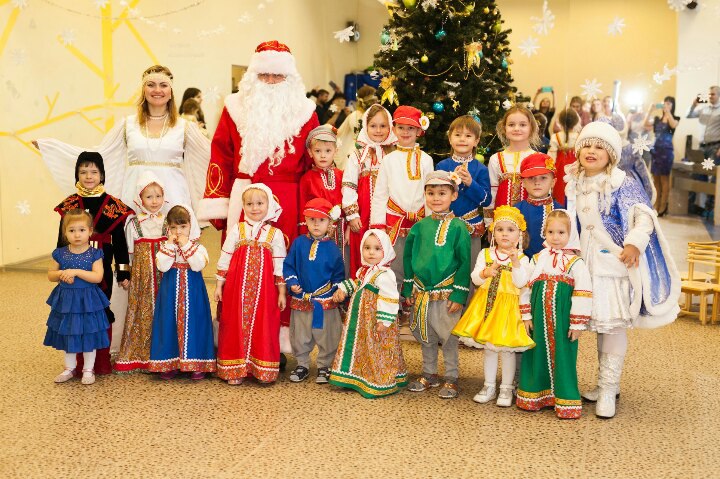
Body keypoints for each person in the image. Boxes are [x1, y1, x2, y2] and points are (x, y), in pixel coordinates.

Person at [565, 121, 680, 418]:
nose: (591, 151)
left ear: (612, 154)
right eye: (586, 146)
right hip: (585, 265)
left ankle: (608, 389)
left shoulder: (621, 181)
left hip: (613, 265)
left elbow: (644, 216)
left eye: (599, 147)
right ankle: (604, 384)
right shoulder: (575, 181)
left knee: (613, 325)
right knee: (598, 325)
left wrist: (634, 244)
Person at [35, 65, 211, 213]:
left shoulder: (185, 127)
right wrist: (52, 148)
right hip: (135, 198)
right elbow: (100, 154)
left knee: (174, 243)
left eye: (163, 85)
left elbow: (210, 154)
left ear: (171, 92)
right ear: (143, 91)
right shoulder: (128, 125)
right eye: (151, 85)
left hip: (173, 199)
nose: (157, 90)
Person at [54, 152, 132, 375]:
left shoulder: (113, 206)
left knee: (99, 311)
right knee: (75, 312)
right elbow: (61, 240)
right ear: (77, 175)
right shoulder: (70, 204)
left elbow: (120, 243)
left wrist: (123, 273)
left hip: (101, 270)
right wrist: (60, 269)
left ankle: (100, 363)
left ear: (102, 175)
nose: (89, 176)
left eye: (94, 172)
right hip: (72, 270)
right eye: (83, 172)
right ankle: (76, 364)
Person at [452, 205, 534, 407]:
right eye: (500, 229)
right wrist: (485, 273)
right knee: (489, 350)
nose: (504, 234)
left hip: (508, 312)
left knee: (507, 351)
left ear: (520, 235)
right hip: (486, 308)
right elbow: (475, 279)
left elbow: (522, 283)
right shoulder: (485, 254)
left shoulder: (523, 259)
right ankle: (488, 386)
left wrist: (515, 263)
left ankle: (506, 388)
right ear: (492, 233)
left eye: (510, 230)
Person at [517, 210, 592, 419]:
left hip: (563, 319)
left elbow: (583, 293)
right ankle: (535, 395)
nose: (555, 237)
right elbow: (525, 287)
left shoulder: (575, 263)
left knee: (564, 355)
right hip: (538, 317)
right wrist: (526, 315)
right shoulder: (537, 259)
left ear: (571, 234)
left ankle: (565, 398)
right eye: (550, 232)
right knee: (536, 353)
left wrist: (577, 323)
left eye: (561, 232)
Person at [403, 171, 471, 400]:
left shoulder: (459, 227)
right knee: (426, 336)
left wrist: (459, 295)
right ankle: (429, 373)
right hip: (422, 292)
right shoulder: (419, 227)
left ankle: (451, 376)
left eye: (442, 193)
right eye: (431, 193)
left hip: (447, 294)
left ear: (454, 195)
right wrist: (408, 288)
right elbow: (408, 259)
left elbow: (464, 262)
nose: (436, 198)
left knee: (449, 337)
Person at [214, 184, 287, 385]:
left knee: (264, 325)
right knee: (234, 323)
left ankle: (260, 368)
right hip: (236, 288)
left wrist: (282, 292)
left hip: (265, 290)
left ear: (269, 205)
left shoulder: (275, 234)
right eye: (249, 204)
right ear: (243, 206)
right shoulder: (237, 230)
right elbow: (225, 257)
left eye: (260, 203)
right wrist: (219, 285)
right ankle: (234, 369)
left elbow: (280, 265)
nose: (254, 208)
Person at [329, 230, 408, 398]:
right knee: (363, 347)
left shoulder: (385, 275)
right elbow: (358, 283)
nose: (371, 252)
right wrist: (343, 289)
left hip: (375, 321)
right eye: (367, 248)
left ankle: (379, 380)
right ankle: (358, 376)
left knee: (377, 349)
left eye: (377, 248)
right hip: (362, 321)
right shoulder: (364, 271)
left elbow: (390, 298)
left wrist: (384, 320)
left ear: (386, 251)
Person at [370, 105, 434, 295]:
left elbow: (430, 193)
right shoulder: (388, 160)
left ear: (419, 131)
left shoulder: (426, 160)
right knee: (395, 265)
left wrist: (431, 223)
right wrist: (378, 226)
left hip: (419, 223)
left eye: (411, 128)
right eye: (401, 127)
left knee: (417, 263)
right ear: (394, 129)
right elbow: (380, 194)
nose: (405, 132)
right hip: (394, 223)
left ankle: (414, 303)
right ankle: (393, 304)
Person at [148, 204, 216, 380]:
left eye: (183, 226)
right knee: (168, 322)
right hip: (170, 291)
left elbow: (197, 264)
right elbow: (162, 266)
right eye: (173, 227)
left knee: (195, 322)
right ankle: (170, 363)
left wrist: (185, 246)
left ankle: (197, 363)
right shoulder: (166, 246)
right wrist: (171, 246)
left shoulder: (198, 247)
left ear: (191, 226)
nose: (178, 231)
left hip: (193, 292)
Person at [44, 209, 110, 385]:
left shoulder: (95, 254)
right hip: (67, 302)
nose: (77, 234)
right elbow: (51, 275)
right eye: (72, 230)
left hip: (88, 301)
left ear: (90, 231)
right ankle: (69, 368)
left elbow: (97, 277)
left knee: (89, 334)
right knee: (69, 333)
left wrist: (76, 272)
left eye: (82, 230)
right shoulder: (60, 253)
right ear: (65, 233)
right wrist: (61, 274)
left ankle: (88, 369)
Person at [284, 199, 345, 384]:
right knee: (300, 334)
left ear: (329, 223)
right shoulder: (298, 244)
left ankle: (324, 366)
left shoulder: (333, 249)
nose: (316, 224)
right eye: (312, 220)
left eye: (321, 220)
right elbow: (289, 266)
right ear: (306, 221)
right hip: (302, 299)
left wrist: (337, 291)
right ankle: (302, 364)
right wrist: (292, 282)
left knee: (327, 334)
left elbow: (338, 275)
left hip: (325, 302)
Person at [114, 172, 168, 373]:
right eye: (149, 196)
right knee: (141, 311)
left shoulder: (167, 222)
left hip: (164, 275)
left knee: (164, 310)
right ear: (140, 199)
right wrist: (124, 275)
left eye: (158, 196)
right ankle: (140, 354)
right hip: (141, 276)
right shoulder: (134, 223)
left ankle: (164, 355)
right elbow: (126, 253)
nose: (154, 201)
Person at [342, 104, 397, 277]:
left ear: (390, 127)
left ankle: (387, 288)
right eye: (373, 126)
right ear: (366, 126)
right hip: (363, 215)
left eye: (383, 126)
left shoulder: (394, 154)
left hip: (389, 214)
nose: (378, 130)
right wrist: (353, 215)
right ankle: (362, 287)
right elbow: (349, 184)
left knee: (387, 248)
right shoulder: (358, 155)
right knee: (365, 251)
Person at [435, 115, 491, 268]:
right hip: (445, 225)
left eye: (468, 136)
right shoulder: (442, 166)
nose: (462, 139)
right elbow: (436, 195)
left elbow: (486, 200)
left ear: (476, 141)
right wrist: (451, 182)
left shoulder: (481, 169)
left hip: (471, 226)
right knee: (444, 266)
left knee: (469, 266)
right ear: (450, 139)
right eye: (458, 135)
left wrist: (471, 183)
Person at [299, 125, 345, 253]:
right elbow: (303, 209)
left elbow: (348, 202)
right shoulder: (306, 179)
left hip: (340, 231)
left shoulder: (342, 175)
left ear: (336, 151)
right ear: (310, 152)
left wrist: (348, 230)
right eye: (318, 151)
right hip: (316, 232)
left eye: (328, 151)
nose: (323, 155)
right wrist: (305, 236)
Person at [487, 105, 539, 216]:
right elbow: (492, 193)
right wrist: (489, 222)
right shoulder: (496, 159)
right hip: (502, 221)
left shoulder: (539, 159)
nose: (516, 128)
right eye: (511, 125)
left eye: (522, 125)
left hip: (532, 219)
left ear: (531, 128)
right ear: (504, 128)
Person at [515, 153, 563, 258]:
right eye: (531, 178)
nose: (537, 182)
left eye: (543, 178)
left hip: (552, 264)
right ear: (523, 182)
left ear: (553, 182)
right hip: (522, 264)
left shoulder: (561, 211)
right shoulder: (515, 211)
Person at [644, 97, 679, 216]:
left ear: (672, 106)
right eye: (665, 103)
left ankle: (663, 206)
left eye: (669, 103)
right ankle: (656, 205)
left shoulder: (675, 118)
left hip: (667, 151)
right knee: (656, 179)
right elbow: (645, 125)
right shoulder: (657, 119)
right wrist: (650, 110)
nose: (666, 105)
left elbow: (673, 125)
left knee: (664, 179)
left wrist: (668, 112)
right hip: (656, 151)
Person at [335, 85, 378, 169]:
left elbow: (340, 131)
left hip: (352, 148)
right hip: (367, 150)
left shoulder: (353, 115)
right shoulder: (371, 116)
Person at [548, 107, 580, 205]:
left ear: (560, 121)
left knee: (560, 190)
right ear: (576, 121)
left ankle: (559, 207)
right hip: (575, 167)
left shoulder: (555, 137)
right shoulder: (579, 136)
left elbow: (551, 157)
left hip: (560, 168)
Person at [687, 86, 720, 162]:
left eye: (713, 94)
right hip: (701, 147)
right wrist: (694, 105)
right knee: (698, 169)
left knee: (709, 169)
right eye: (709, 94)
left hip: (714, 148)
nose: (710, 96)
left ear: (719, 95)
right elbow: (688, 115)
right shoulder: (704, 109)